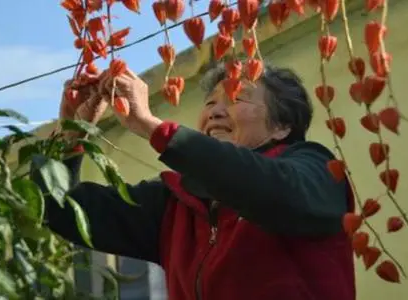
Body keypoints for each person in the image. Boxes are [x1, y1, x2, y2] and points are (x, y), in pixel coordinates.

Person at [31, 61, 356, 300]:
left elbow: (271, 190)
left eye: (235, 98)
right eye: (210, 103)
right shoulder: (174, 202)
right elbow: (59, 208)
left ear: (282, 126)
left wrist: (152, 127)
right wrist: (71, 132)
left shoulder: (315, 169)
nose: (215, 111)